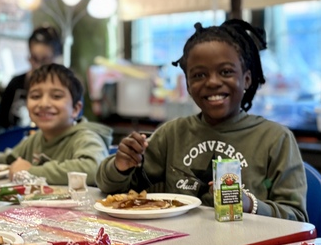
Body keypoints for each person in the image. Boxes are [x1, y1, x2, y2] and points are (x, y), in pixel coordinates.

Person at [96, 19, 307, 221]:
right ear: (187, 85)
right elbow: (113, 189)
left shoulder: (275, 139)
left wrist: (248, 204)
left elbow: (298, 217)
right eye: (199, 75)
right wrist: (120, 166)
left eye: (225, 72)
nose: (213, 82)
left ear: (247, 79)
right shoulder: (172, 134)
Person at [0, 63, 112, 185]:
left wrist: (31, 171)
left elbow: (94, 169)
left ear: (75, 109)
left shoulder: (85, 137)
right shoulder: (34, 139)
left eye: (56, 96)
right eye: (35, 96)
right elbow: (9, 161)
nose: (44, 103)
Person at [0, 25, 63, 133]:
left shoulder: (65, 86)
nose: (38, 67)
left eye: (45, 60)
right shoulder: (15, 84)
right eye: (34, 59)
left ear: (56, 58)